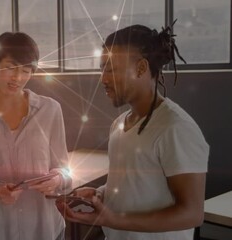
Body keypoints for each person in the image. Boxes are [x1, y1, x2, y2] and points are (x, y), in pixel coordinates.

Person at [58, 23, 209, 240]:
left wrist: (113, 220)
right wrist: (100, 194)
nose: (103, 79)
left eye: (111, 69)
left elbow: (192, 214)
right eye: (102, 69)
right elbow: (131, 184)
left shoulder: (176, 128)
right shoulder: (120, 124)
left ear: (140, 68)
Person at [0, 32, 72, 240]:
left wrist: (57, 179)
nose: (18, 78)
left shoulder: (50, 110)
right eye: (11, 67)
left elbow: (65, 170)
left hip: (46, 228)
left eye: (26, 70)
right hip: (0, 231)